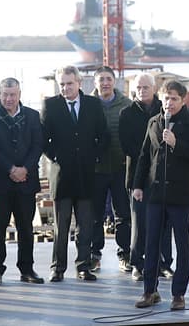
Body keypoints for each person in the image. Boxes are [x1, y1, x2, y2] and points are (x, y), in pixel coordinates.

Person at [133, 80, 189, 311]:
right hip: (156, 193)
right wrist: (138, 185)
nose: (169, 103)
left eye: (174, 99)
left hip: (180, 194)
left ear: (183, 100)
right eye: (166, 98)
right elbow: (145, 155)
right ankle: (149, 291)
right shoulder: (154, 122)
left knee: (182, 245)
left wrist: (177, 143)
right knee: (151, 243)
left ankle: (178, 294)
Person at [41, 66, 109, 282]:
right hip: (62, 175)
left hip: (86, 175)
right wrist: (55, 157)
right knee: (61, 227)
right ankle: (57, 268)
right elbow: (43, 139)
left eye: (69, 83)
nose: (65, 88)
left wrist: (94, 157)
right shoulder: (51, 105)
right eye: (61, 84)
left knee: (85, 225)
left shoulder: (92, 104)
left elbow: (104, 135)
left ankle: (83, 266)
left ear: (79, 83)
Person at [0, 77, 44, 286]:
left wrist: (25, 169)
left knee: (26, 228)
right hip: (0, 182)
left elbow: (38, 145)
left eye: (13, 95)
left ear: (19, 94)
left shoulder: (32, 116)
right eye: (5, 94)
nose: (9, 99)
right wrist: (10, 169)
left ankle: (27, 269)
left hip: (26, 182)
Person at [119, 73, 173, 281]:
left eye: (146, 87)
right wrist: (150, 157)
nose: (142, 91)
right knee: (139, 222)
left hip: (164, 174)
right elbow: (127, 145)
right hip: (137, 176)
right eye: (139, 88)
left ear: (154, 88)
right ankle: (138, 264)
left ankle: (164, 263)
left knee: (164, 223)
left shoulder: (164, 109)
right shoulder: (127, 113)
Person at [90, 66, 132, 272]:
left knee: (123, 214)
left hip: (120, 168)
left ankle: (125, 254)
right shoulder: (87, 104)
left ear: (114, 81)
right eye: (101, 79)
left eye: (108, 79)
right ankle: (94, 254)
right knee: (95, 215)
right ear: (95, 83)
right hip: (95, 169)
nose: (105, 83)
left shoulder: (127, 104)